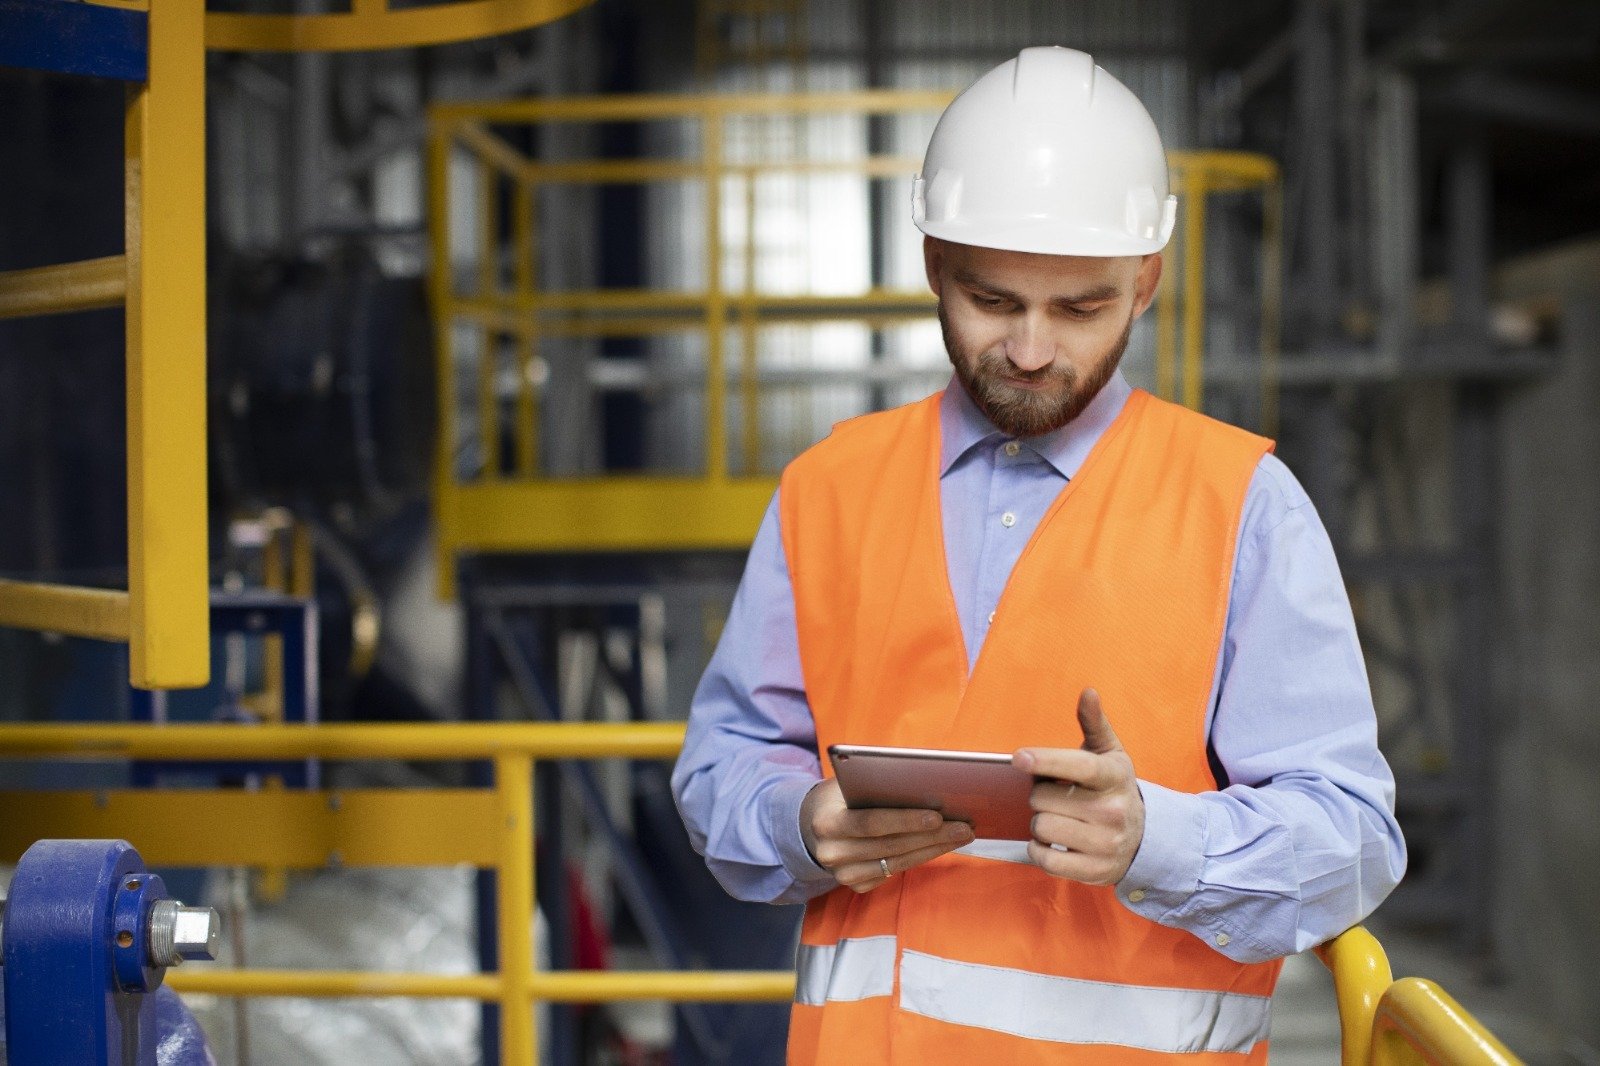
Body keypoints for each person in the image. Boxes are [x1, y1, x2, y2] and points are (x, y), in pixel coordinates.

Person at [672, 45, 1406, 1064]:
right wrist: (799, 822)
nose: (1027, 349)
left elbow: (1352, 840)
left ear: (1145, 282)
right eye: (991, 300)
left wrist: (1157, 840)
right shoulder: (825, 489)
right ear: (933, 263)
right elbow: (718, 767)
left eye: (1078, 308)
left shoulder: (1242, 507)